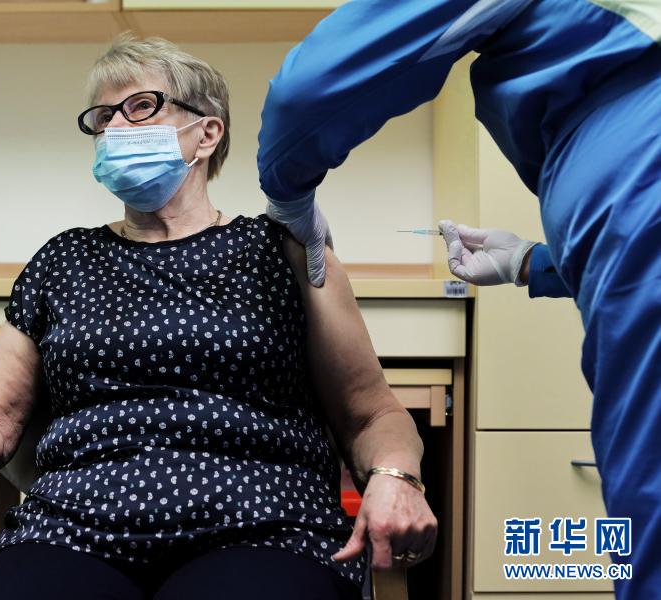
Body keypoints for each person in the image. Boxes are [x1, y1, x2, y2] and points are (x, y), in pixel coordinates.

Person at [0, 35, 437, 599]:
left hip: (264, 527)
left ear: (207, 132)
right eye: (104, 117)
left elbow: (371, 415)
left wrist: (396, 477)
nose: (116, 128)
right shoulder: (63, 260)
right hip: (75, 529)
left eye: (141, 106)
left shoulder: (285, 251)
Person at [256, 2, 660, 597]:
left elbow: (307, 92)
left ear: (210, 132)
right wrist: (534, 263)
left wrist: (286, 194)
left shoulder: (265, 249)